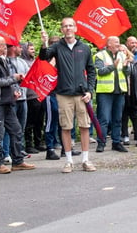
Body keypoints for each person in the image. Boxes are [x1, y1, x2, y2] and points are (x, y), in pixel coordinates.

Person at [39, 18, 97, 173]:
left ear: (76, 28)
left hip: (81, 94)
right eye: (65, 26)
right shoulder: (57, 47)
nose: (68, 28)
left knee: (84, 126)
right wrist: (44, 43)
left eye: (71, 25)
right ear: (62, 29)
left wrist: (90, 90)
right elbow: (43, 57)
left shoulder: (84, 48)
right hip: (63, 94)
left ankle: (85, 160)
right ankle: (69, 161)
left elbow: (91, 70)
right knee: (66, 127)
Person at [0, 36, 36, 174]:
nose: (6, 48)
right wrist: (13, 78)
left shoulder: (1, 60)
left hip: (7, 101)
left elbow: (5, 80)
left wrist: (14, 91)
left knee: (16, 130)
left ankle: (18, 161)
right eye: (4, 45)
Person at [94, 36, 130, 153]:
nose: (118, 44)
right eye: (116, 42)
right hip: (105, 92)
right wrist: (112, 67)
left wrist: (125, 67)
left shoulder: (122, 55)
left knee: (117, 119)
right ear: (109, 44)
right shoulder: (100, 55)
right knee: (103, 119)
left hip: (119, 91)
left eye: (119, 42)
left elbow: (127, 73)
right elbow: (99, 72)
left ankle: (116, 142)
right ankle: (101, 143)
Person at [21, 42, 46, 152]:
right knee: (29, 121)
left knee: (39, 121)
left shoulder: (35, 62)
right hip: (29, 96)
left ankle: (38, 142)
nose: (33, 50)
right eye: (30, 49)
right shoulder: (23, 63)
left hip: (39, 94)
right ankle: (29, 144)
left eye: (34, 49)